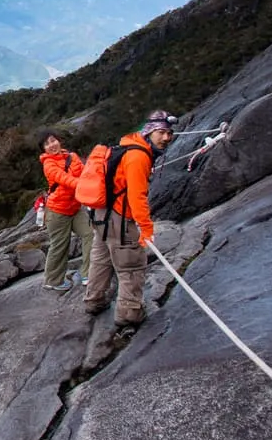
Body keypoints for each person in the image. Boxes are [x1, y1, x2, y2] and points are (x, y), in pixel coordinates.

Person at [83, 110, 176, 327]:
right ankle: (129, 313)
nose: (166, 138)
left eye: (169, 134)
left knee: (101, 259)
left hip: (100, 214)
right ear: (150, 132)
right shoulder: (139, 156)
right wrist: (146, 228)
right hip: (119, 219)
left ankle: (94, 300)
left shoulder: (128, 145)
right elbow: (137, 197)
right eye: (161, 132)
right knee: (131, 265)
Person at [37, 129, 94, 292]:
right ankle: (52, 281)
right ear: (44, 149)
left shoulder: (73, 157)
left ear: (59, 141)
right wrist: (84, 185)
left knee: (90, 233)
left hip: (75, 208)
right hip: (57, 212)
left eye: (53, 140)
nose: (52, 145)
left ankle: (88, 274)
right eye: (47, 144)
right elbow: (65, 180)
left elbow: (85, 173)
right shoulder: (48, 164)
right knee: (60, 245)